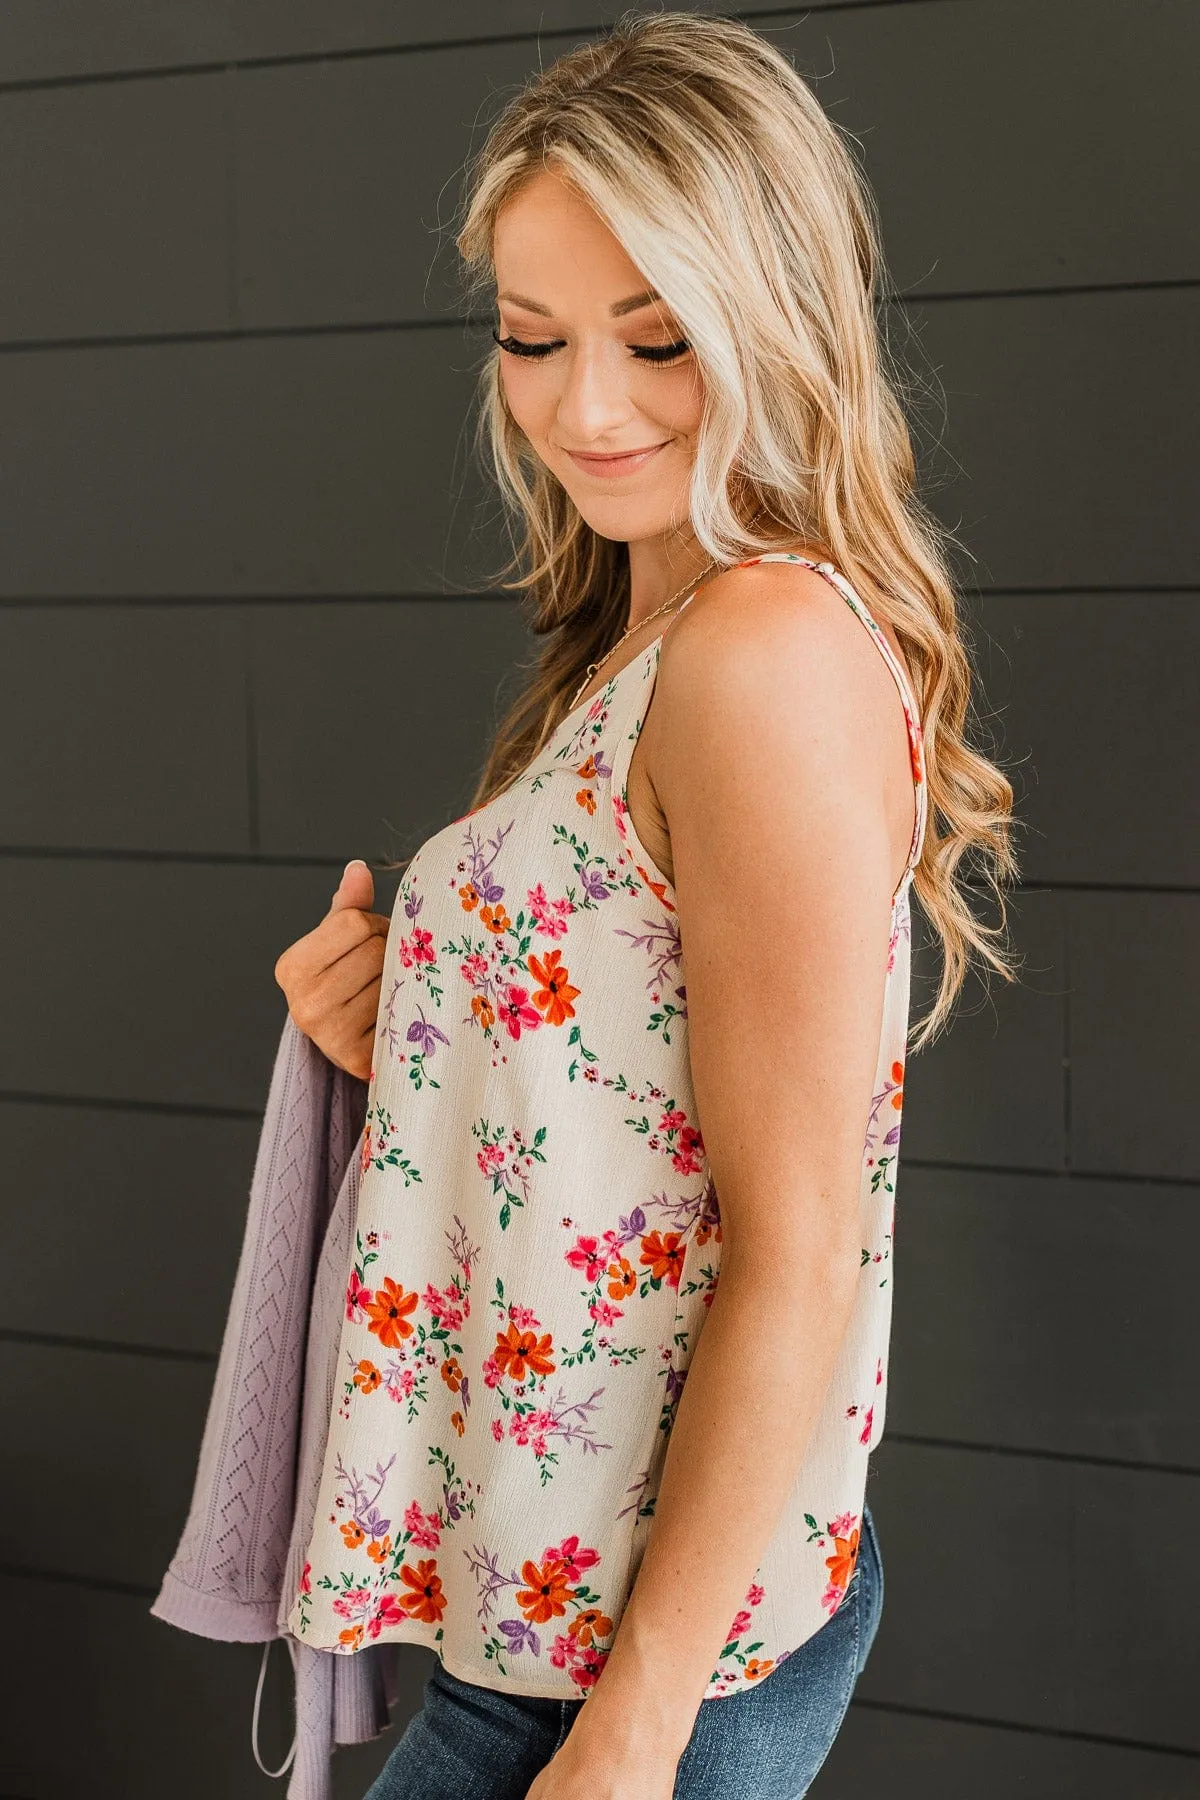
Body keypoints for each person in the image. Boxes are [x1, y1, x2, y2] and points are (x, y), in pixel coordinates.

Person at [272, 12, 1017, 1799]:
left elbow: (801, 1243)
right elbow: (622, 1089)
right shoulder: (655, 635)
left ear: (780, 323)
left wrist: (632, 1735)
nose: (583, 405)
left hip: (620, 1663)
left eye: (659, 339)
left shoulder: (758, 651)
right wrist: (395, 1020)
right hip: (555, 1617)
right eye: (534, 337)